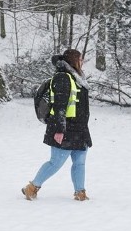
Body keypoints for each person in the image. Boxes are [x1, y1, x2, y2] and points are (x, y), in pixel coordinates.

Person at [22, 49, 92, 201]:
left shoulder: (78, 78)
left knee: (79, 163)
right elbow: (60, 106)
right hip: (65, 128)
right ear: (74, 60)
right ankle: (32, 187)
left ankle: (80, 192)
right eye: (80, 59)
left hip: (79, 129)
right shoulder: (63, 77)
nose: (83, 62)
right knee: (56, 163)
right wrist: (59, 130)